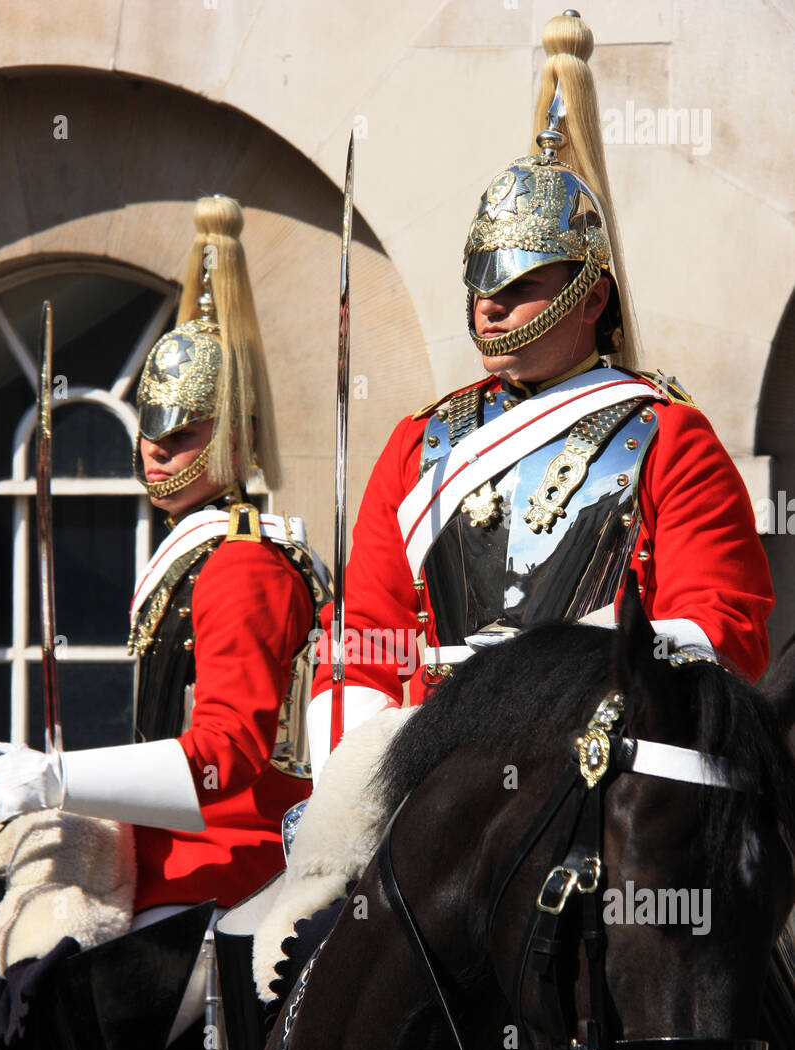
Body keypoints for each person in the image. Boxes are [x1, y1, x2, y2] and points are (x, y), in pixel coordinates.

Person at [0, 195, 327, 1050]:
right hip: (182, 860)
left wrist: (67, 777)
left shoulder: (245, 565)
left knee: (84, 994)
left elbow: (221, 759)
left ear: (231, 433)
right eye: (152, 431)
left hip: (244, 867)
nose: (161, 452)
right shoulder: (187, 560)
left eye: (184, 432)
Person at [306, 12, 773, 781]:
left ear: (591, 298)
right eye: (483, 281)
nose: (492, 304)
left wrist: (565, 669)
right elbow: (366, 639)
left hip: (597, 762)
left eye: (522, 284)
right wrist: (350, 783)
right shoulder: (418, 444)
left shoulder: (667, 434)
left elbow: (725, 627)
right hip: (433, 771)